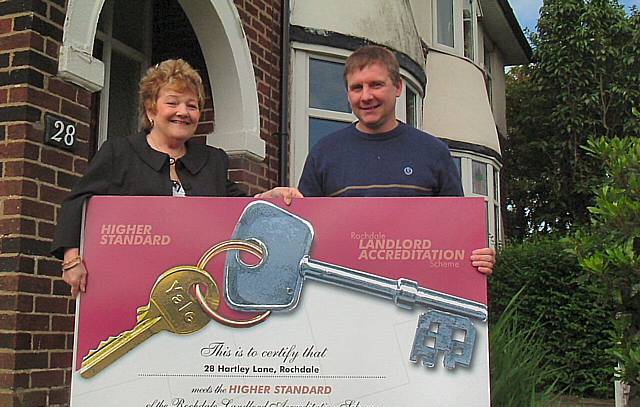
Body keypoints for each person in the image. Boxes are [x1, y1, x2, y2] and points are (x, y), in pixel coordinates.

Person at [258, 45, 495, 274]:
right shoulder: (324, 153)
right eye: (356, 88)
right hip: (346, 294)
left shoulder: (434, 152)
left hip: (418, 295)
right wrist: (270, 205)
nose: (366, 96)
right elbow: (304, 233)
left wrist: (476, 256)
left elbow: (456, 232)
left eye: (376, 85)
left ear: (398, 87)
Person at [52, 59, 246, 297]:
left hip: (198, 289)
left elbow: (238, 205)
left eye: (192, 105)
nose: (183, 112)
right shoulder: (119, 153)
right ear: (151, 109)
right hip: (128, 286)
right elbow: (76, 203)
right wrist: (71, 259)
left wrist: (270, 198)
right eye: (172, 103)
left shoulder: (213, 160)